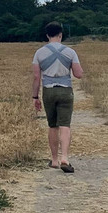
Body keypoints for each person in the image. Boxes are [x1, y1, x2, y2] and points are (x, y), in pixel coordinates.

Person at [31, 21, 84, 173]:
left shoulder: (39, 53)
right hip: (65, 91)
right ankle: (65, 158)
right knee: (65, 125)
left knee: (52, 125)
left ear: (47, 35)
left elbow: (36, 76)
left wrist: (35, 97)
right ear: (61, 35)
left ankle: (54, 160)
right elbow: (78, 74)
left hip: (48, 91)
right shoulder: (70, 52)